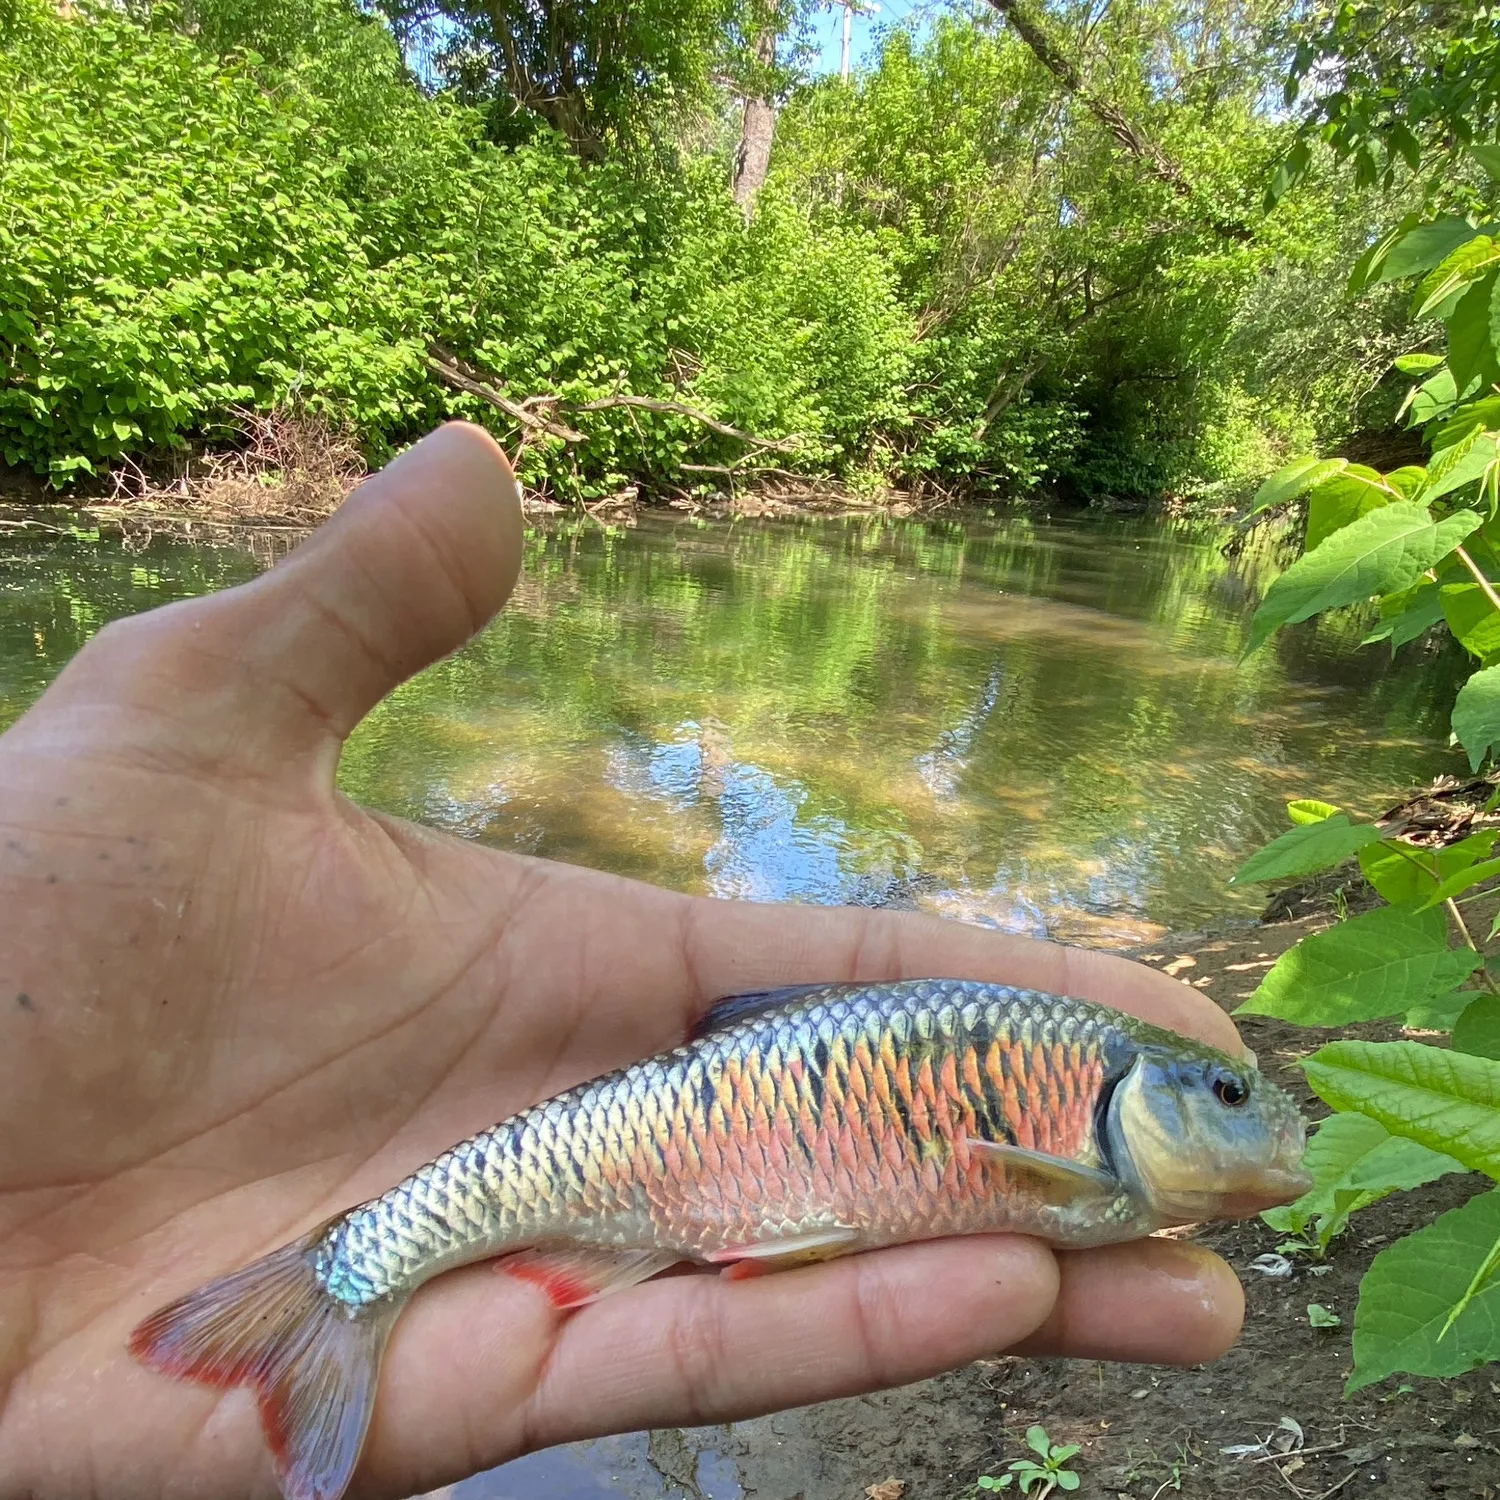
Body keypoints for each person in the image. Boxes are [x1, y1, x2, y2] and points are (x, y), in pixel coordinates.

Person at [0, 423, 1246, 1499]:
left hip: (695, 1152)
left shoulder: (1092, 1122)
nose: (1253, 1119)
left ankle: (342, 1292)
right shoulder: (1090, 1114)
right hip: (674, 1155)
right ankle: (345, 1281)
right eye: (1231, 1100)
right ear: (1156, 1097)